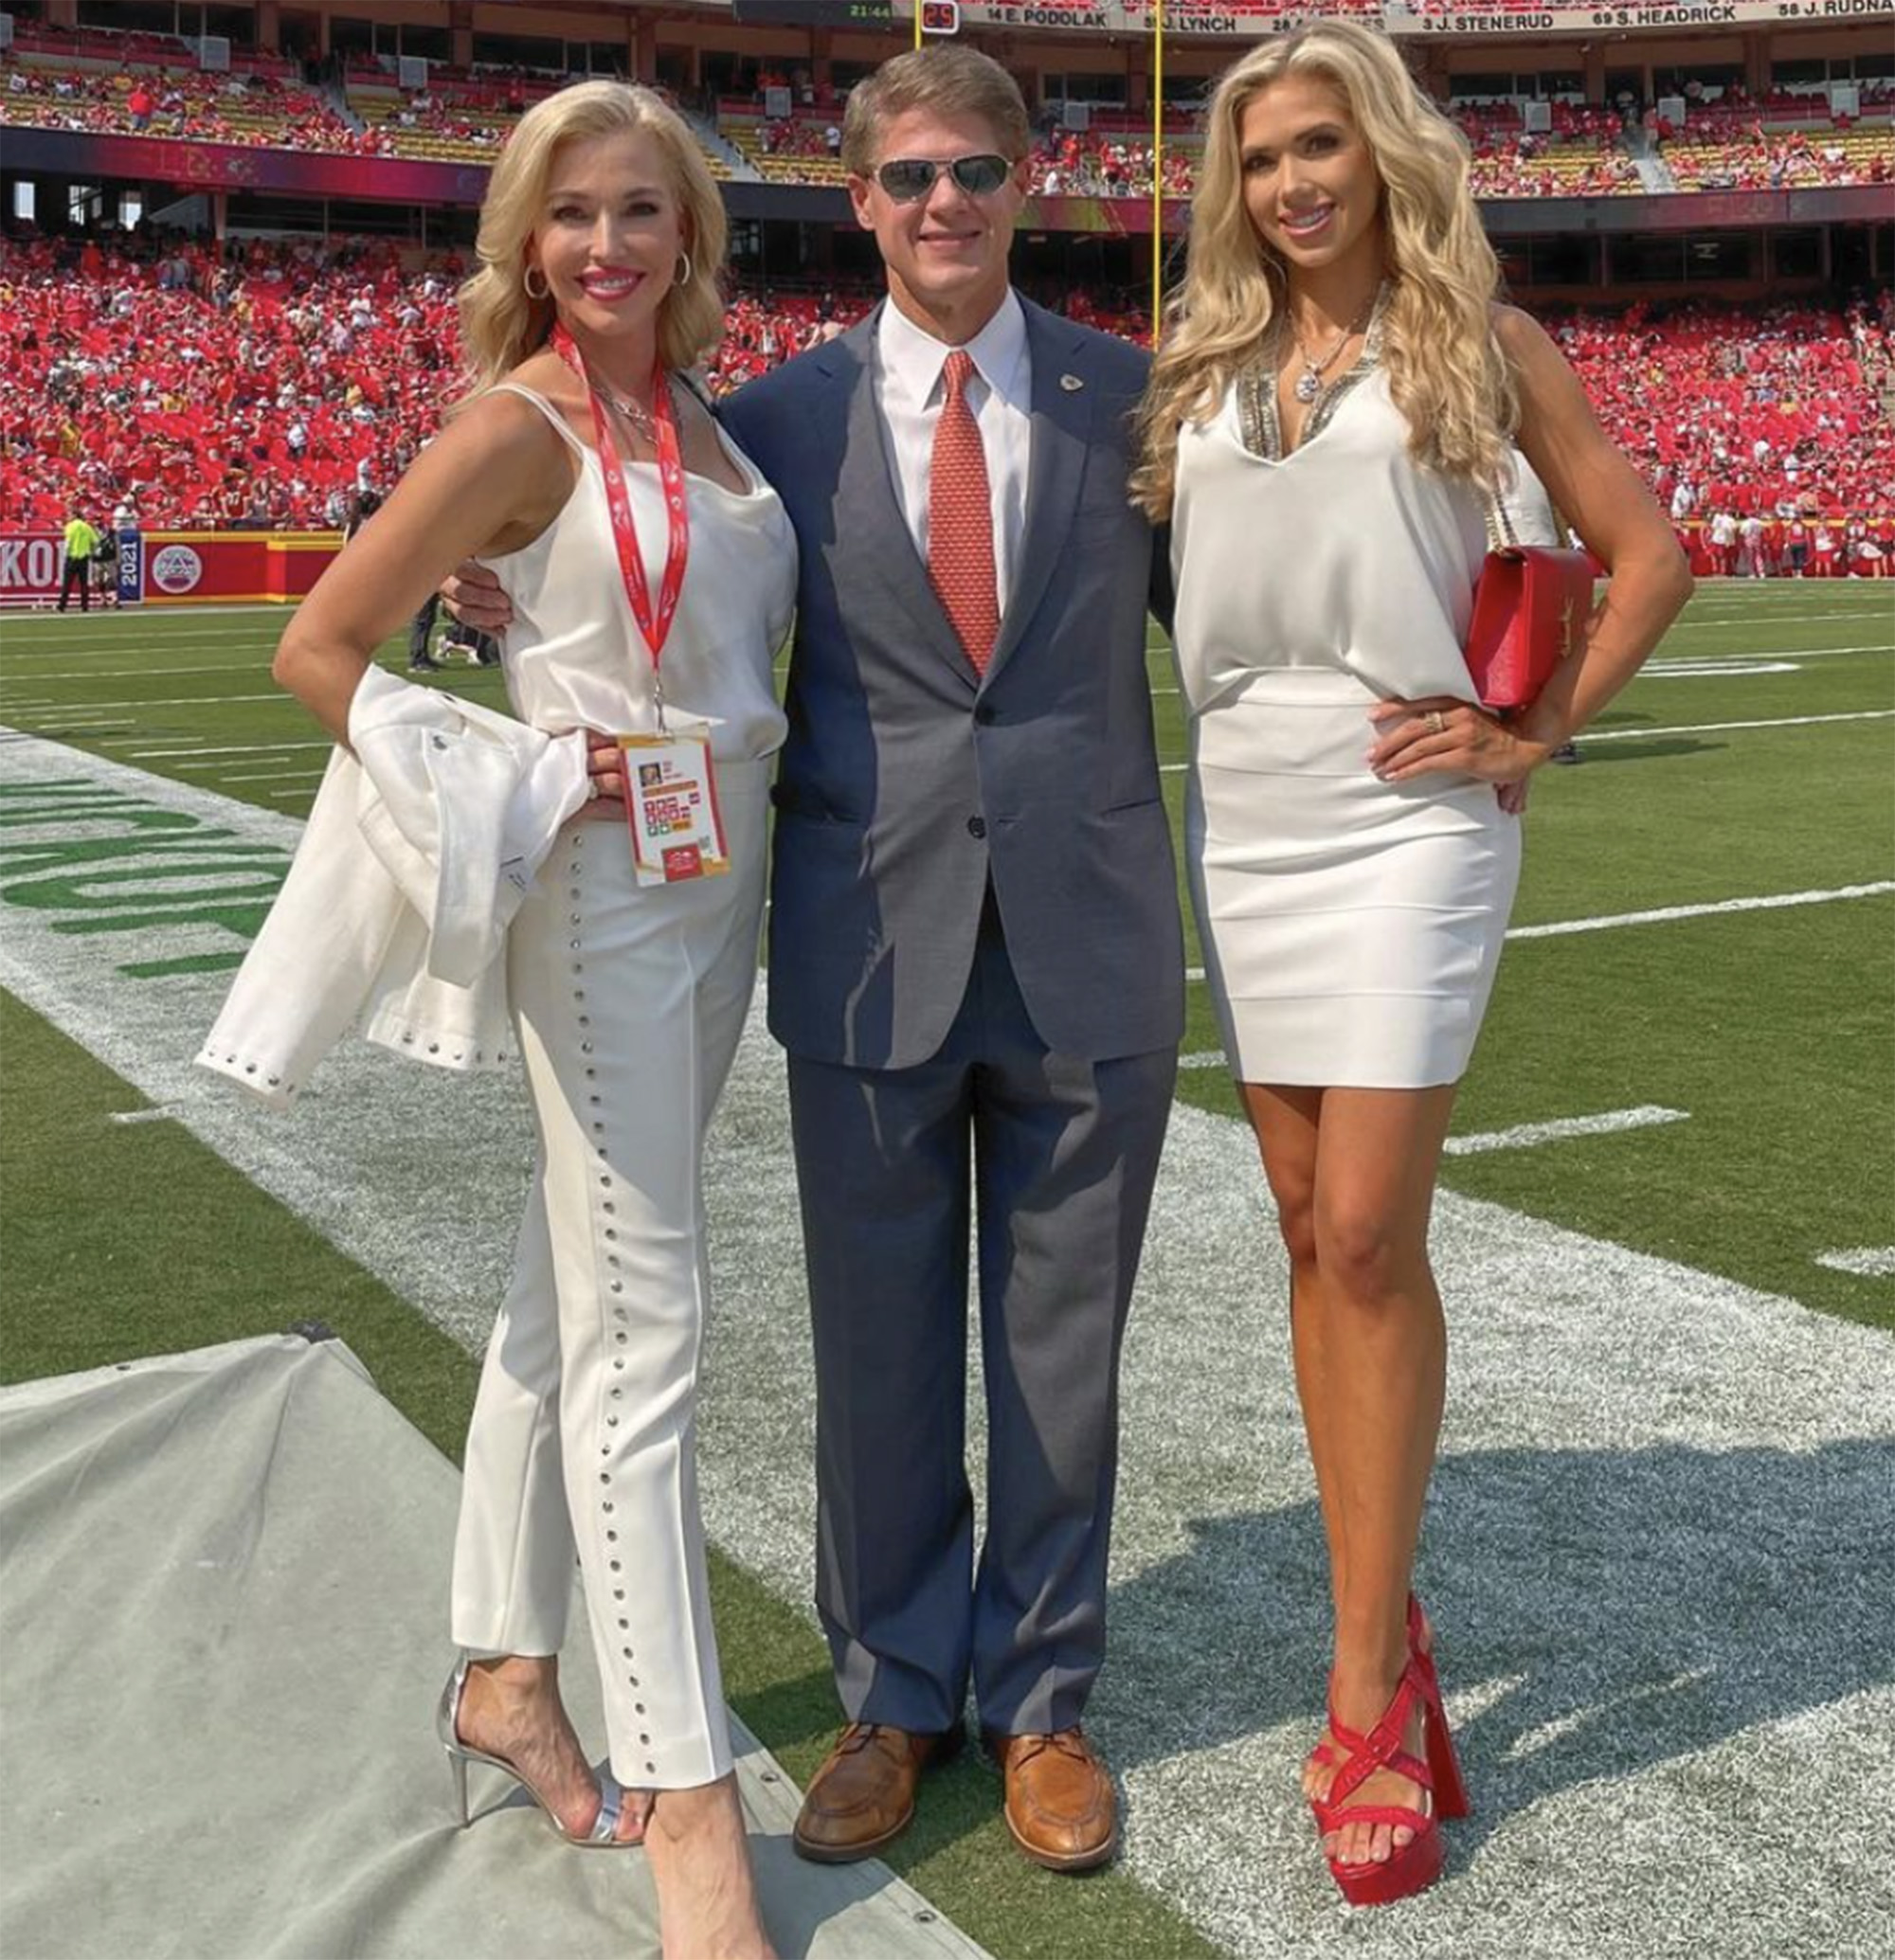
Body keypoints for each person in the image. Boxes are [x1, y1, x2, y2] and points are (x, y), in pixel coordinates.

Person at [447, 44, 1182, 1877]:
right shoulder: (760, 422)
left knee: (1062, 1348)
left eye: (977, 174)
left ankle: (1043, 1696)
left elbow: (1263, 626)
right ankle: (898, 1688)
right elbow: (624, 593)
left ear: (1032, 181)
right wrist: (489, 609)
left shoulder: (1139, 403)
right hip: (867, 940)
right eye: (909, 177)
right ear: (857, 199)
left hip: (1088, 937)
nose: (945, 206)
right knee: (875, 1352)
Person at [1132, 21, 1689, 1907]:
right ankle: (1396, 1615)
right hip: (1250, 805)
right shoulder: (1200, 361)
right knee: (1300, 1223)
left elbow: (1644, 550)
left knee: (1366, 1226)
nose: (1293, 182)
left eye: (1320, 146)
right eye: (1262, 155)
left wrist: (1537, 733)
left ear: (1382, 154)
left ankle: (1362, 1677)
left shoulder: (1480, 340)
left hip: (1410, 803)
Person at [269, 80, 792, 1960]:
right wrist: (503, 766)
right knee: (653, 1322)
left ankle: (503, 1666)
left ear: (688, 236)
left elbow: (638, 627)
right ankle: (693, 1810)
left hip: (722, 883)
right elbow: (319, 645)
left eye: (638, 211)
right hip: (606, 905)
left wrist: (522, 644)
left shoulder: (707, 419)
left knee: (565, 1295)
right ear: (524, 237)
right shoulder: (518, 418)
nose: (603, 244)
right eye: (568, 213)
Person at [58, 509, 99, 613]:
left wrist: (66, 554)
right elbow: (95, 541)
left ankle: (62, 605)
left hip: (72, 557)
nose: (68, 517)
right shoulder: (87, 527)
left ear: (75, 515)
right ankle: (84, 605)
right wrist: (91, 552)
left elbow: (68, 542)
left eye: (70, 515)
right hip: (84, 558)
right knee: (84, 583)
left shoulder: (70, 526)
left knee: (67, 583)